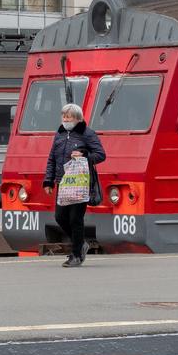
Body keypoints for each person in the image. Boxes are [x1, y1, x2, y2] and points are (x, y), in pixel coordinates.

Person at [41, 103, 106, 267]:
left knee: (75, 219)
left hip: (80, 183)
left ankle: (76, 255)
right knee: (60, 217)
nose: (65, 119)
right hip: (63, 183)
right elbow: (52, 159)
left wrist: (84, 154)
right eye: (63, 116)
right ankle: (82, 244)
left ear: (78, 118)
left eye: (68, 117)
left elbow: (100, 155)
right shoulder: (59, 134)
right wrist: (49, 181)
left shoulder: (87, 133)